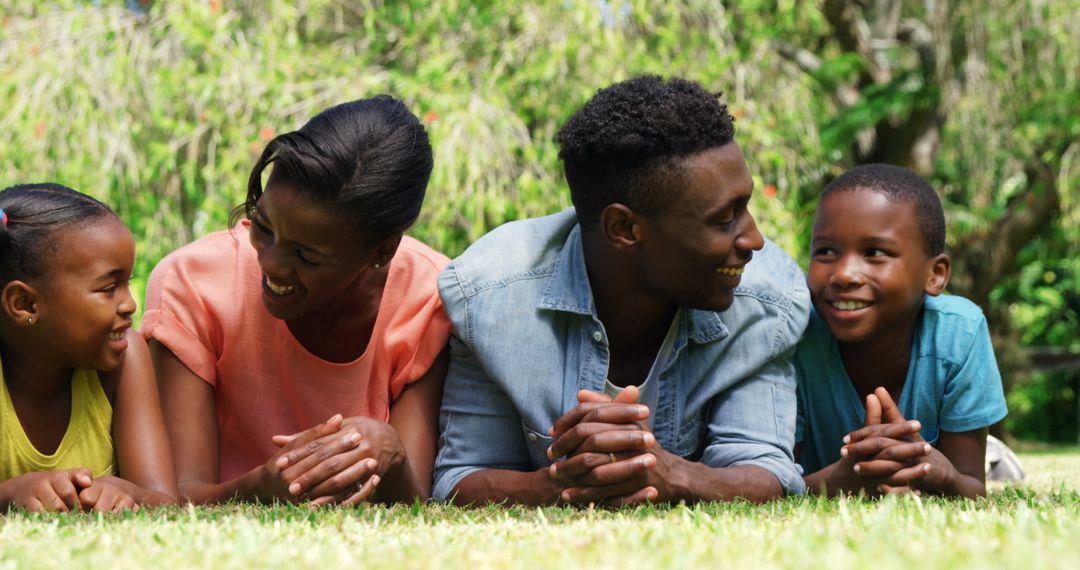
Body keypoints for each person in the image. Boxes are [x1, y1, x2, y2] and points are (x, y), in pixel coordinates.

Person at [434, 76, 811, 506]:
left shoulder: (765, 297)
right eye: (724, 219)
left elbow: (766, 468)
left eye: (746, 206)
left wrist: (667, 471)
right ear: (625, 228)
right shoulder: (491, 295)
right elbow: (460, 477)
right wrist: (560, 482)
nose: (754, 240)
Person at [143, 97, 450, 505]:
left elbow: (416, 506)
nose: (270, 264)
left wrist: (389, 452)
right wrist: (260, 487)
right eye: (264, 226)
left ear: (381, 252)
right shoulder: (192, 282)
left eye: (306, 255)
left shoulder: (429, 297)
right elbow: (176, 498)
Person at [795, 164, 1008, 498]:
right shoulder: (794, 335)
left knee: (987, 462)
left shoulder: (959, 333)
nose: (844, 274)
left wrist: (940, 474)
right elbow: (773, 483)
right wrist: (842, 478)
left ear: (935, 274)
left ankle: (997, 454)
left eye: (874, 253)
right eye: (825, 251)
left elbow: (971, 488)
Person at [0, 183, 177, 512]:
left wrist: (123, 491)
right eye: (109, 288)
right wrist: (11, 492)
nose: (130, 305)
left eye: (128, 283)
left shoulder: (126, 356)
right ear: (24, 304)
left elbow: (165, 499)